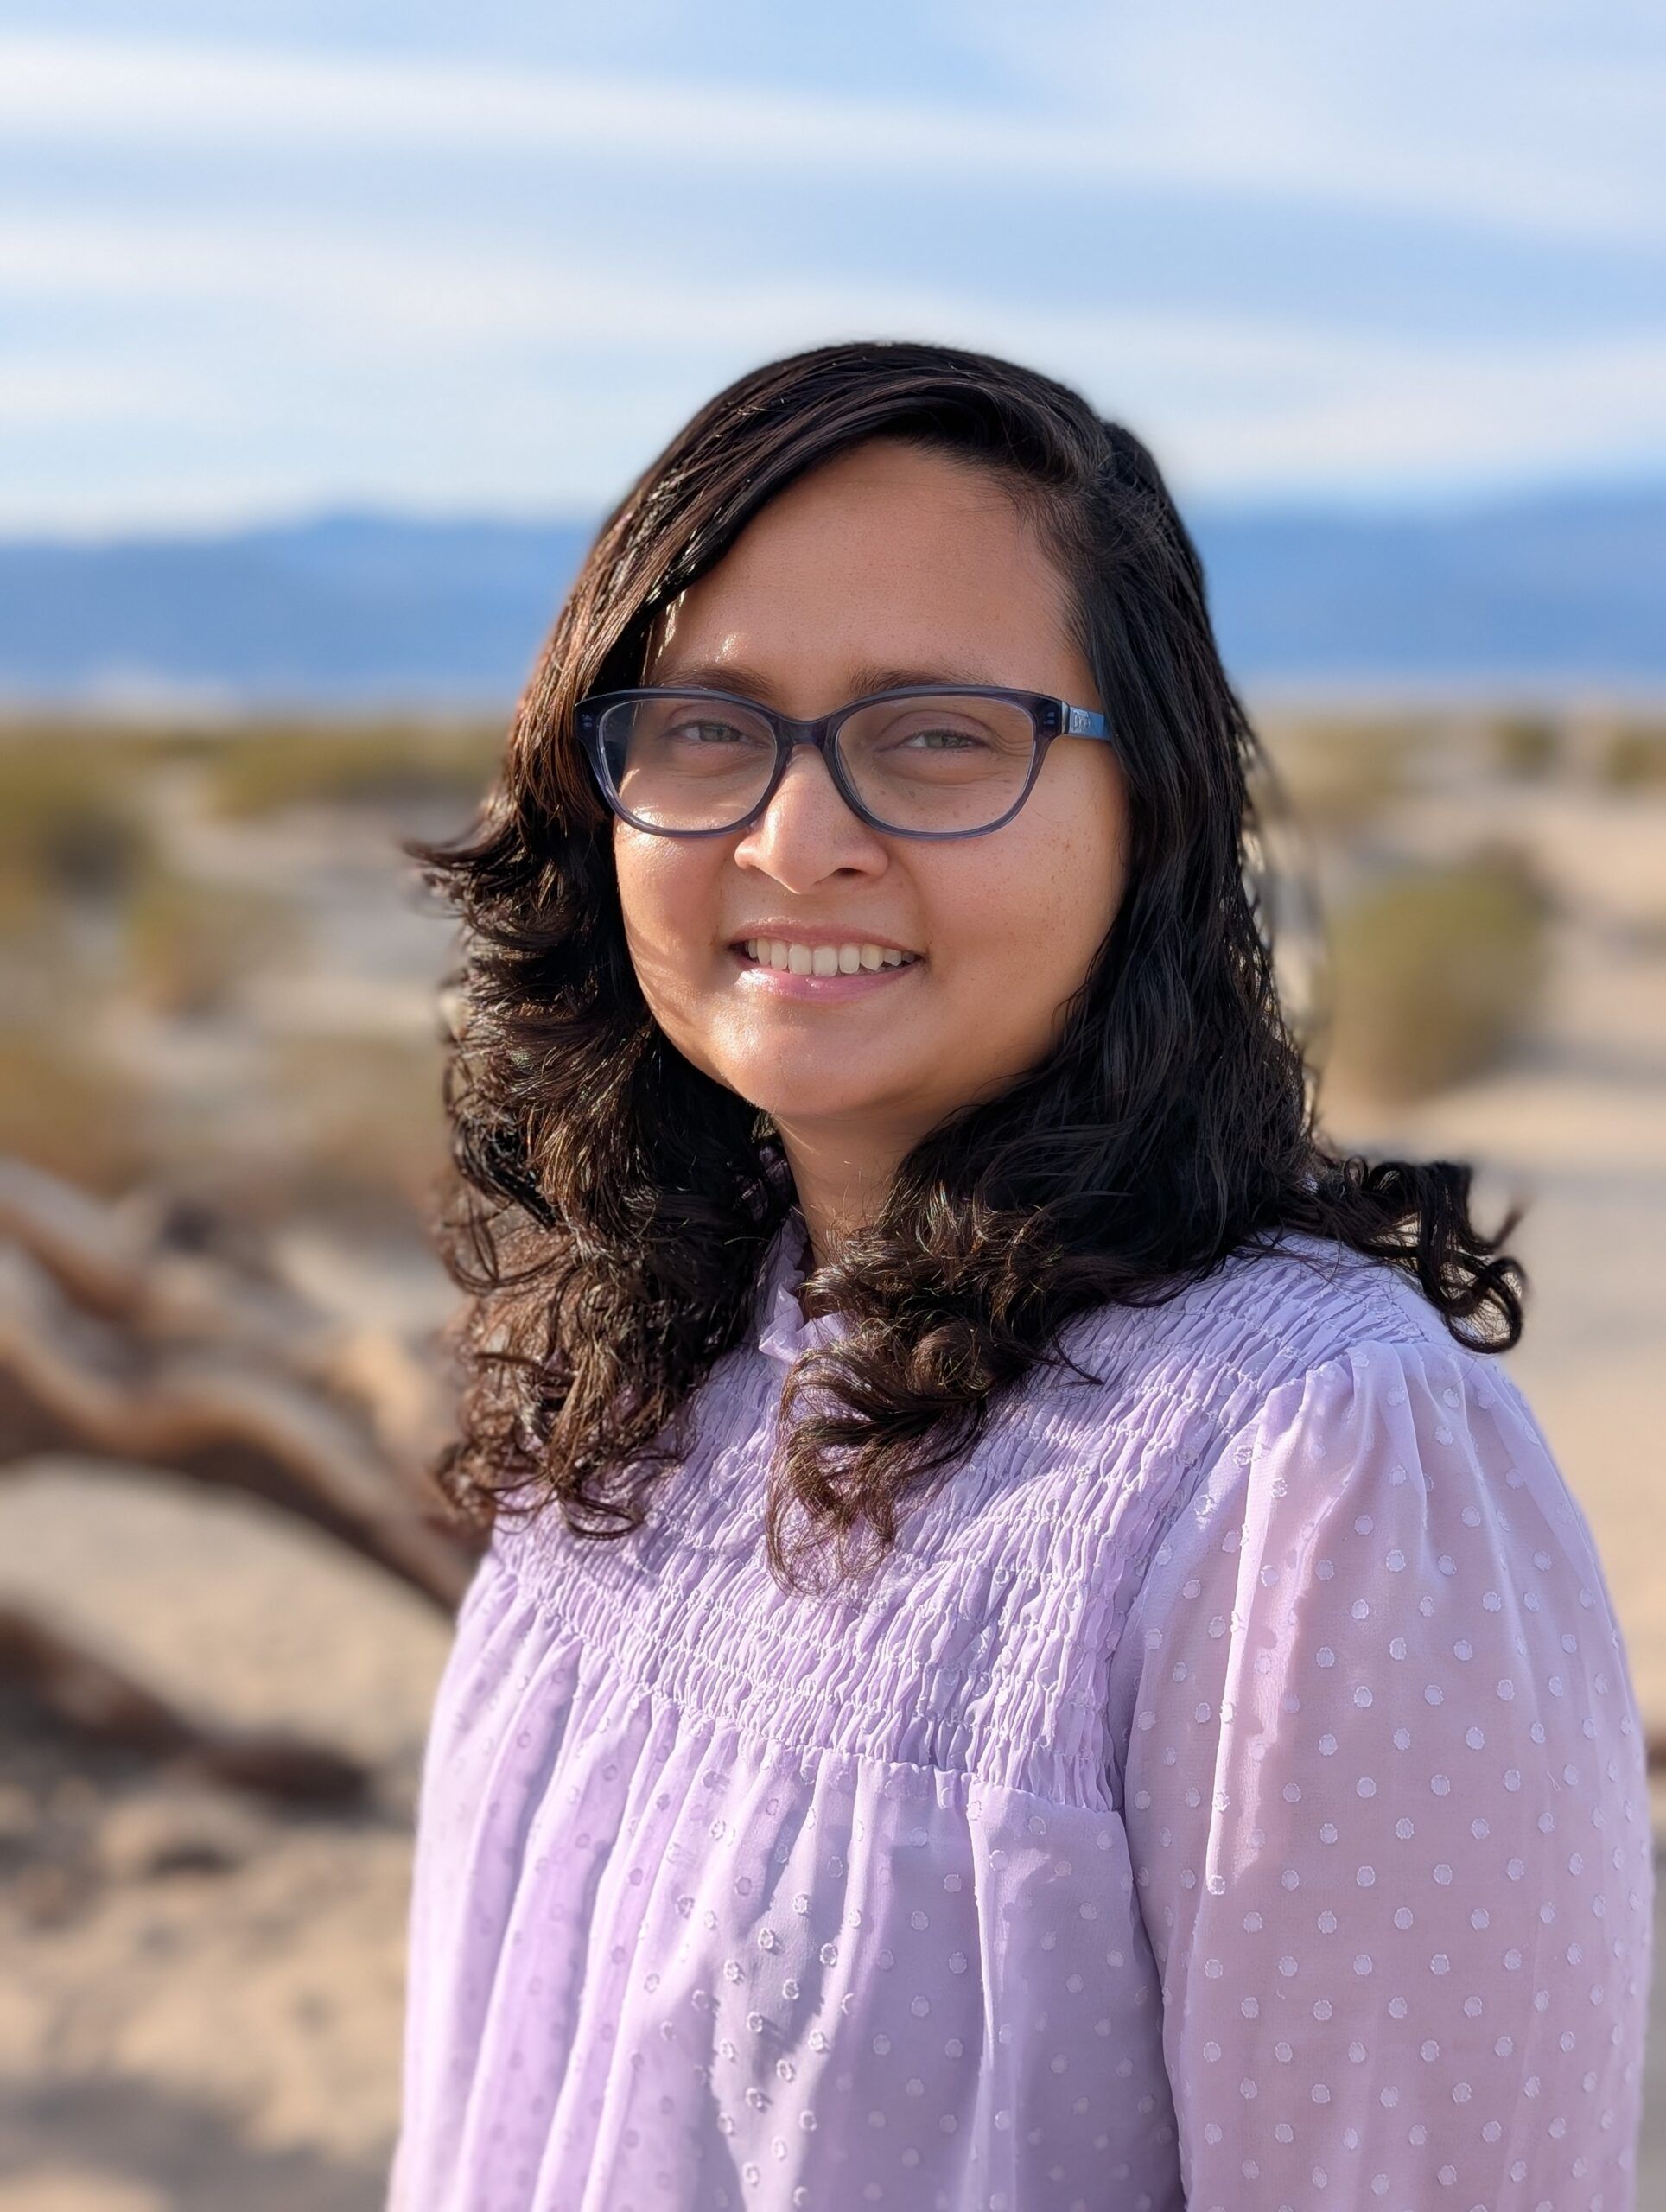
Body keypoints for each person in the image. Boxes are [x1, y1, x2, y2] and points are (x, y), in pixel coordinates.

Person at [386, 340, 1652, 2212]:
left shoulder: (1316, 1470)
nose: (798, 835)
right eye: (706, 727)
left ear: (1146, 820)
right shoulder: (648, 1360)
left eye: (937, 734)